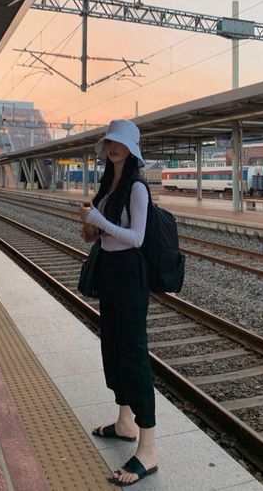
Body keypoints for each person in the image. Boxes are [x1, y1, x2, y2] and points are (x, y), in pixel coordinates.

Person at [79, 119, 158, 487]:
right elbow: (100, 233)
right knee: (111, 348)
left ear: (131, 149)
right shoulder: (108, 186)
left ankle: (148, 448)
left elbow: (137, 238)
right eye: (110, 142)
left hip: (129, 275)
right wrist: (90, 223)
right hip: (110, 271)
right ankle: (124, 421)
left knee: (133, 353)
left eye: (120, 143)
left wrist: (100, 221)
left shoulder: (138, 189)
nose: (113, 148)